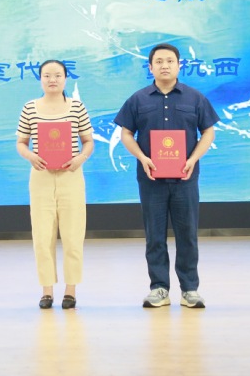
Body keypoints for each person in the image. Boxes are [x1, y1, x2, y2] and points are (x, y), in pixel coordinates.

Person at [114, 43, 219, 309]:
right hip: (151, 180)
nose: (164, 65)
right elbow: (126, 133)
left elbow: (208, 131)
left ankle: (190, 289)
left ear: (179, 65)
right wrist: (142, 157)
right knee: (154, 236)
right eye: (159, 61)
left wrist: (193, 159)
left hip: (185, 179)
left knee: (187, 234)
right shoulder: (138, 99)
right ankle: (159, 288)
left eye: (170, 61)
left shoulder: (195, 98)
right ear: (150, 67)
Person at [16, 59, 94, 310]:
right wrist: (31, 156)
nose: (52, 80)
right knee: (42, 236)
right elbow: (21, 143)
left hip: (71, 176)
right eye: (47, 75)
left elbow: (88, 141)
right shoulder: (30, 108)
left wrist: (80, 159)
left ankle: (71, 290)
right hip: (41, 177)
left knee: (73, 235)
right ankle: (47, 291)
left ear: (65, 78)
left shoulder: (76, 107)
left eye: (58, 75)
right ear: (40, 79)